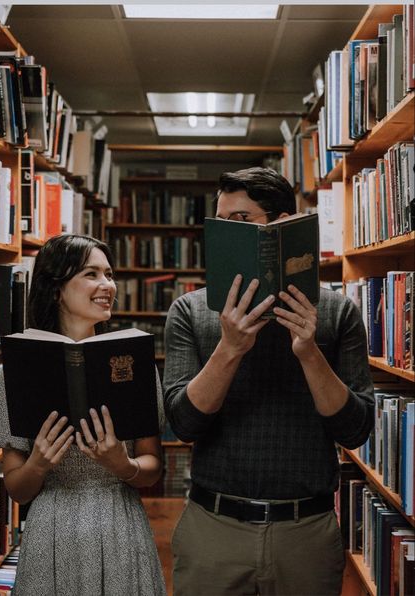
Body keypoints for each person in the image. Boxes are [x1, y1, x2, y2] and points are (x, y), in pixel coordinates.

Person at [163, 167, 374, 596]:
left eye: (240, 221)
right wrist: (230, 348)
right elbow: (183, 425)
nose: (227, 232)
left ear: (281, 226)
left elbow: (355, 430)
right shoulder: (191, 311)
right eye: (221, 223)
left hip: (306, 531)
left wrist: (309, 352)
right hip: (214, 527)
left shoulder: (336, 312)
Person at [0, 234, 166, 596]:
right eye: (91, 274)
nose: (107, 286)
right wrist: (37, 464)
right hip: (52, 528)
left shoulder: (134, 362)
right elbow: (17, 490)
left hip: (120, 523)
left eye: (110, 274)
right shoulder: (19, 370)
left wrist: (122, 465)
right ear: (56, 289)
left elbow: (153, 468)